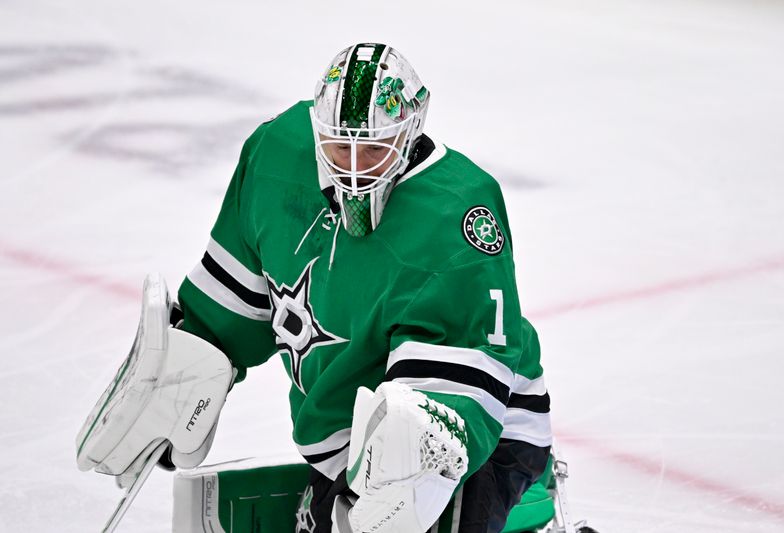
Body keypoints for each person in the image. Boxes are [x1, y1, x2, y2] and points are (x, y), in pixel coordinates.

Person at [105, 42, 554, 533]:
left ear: (411, 131)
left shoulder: (457, 217)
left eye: (375, 149)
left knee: (405, 464)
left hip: (474, 432)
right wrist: (190, 364)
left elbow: (439, 420)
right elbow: (231, 302)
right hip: (342, 435)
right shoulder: (277, 157)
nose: (356, 167)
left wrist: (393, 482)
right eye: (342, 147)